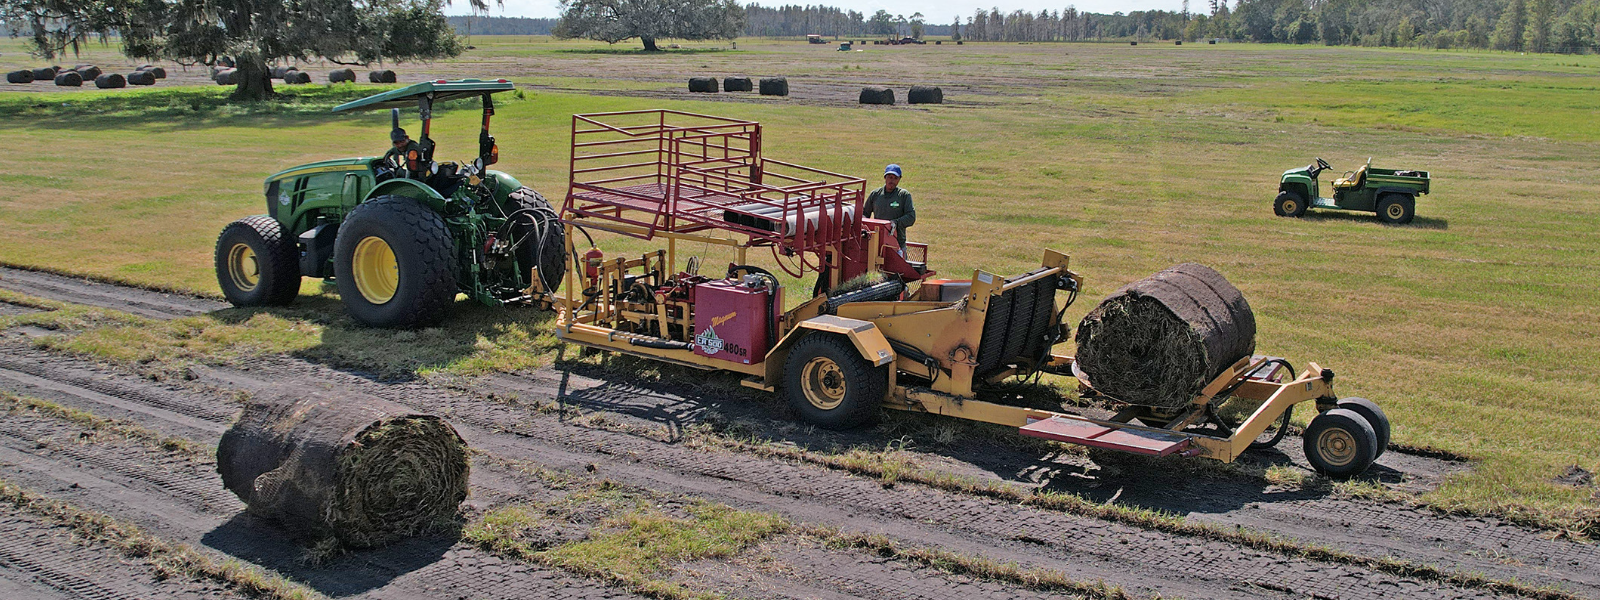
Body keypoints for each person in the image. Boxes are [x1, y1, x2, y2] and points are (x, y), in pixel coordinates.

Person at [864, 164, 915, 251]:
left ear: (899, 179)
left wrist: (895, 223)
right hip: (877, 243)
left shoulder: (903, 195)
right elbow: (864, 214)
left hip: (897, 244)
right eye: (890, 177)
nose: (892, 181)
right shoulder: (875, 194)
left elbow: (911, 217)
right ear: (885, 177)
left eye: (895, 178)